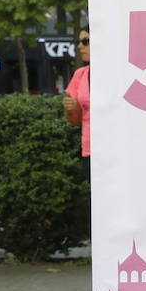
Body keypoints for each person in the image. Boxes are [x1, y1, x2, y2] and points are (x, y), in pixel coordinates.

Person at [61, 29, 91, 181]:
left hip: (118, 147)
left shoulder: (118, 73)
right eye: (79, 42)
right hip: (90, 149)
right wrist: (71, 109)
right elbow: (74, 120)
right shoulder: (80, 74)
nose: (80, 46)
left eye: (86, 41)